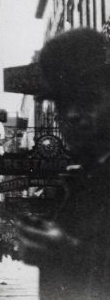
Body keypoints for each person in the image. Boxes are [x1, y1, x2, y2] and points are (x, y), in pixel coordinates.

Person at [15, 28, 110, 300]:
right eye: (63, 103)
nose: (72, 114)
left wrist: (70, 252)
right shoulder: (84, 176)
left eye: (88, 99)